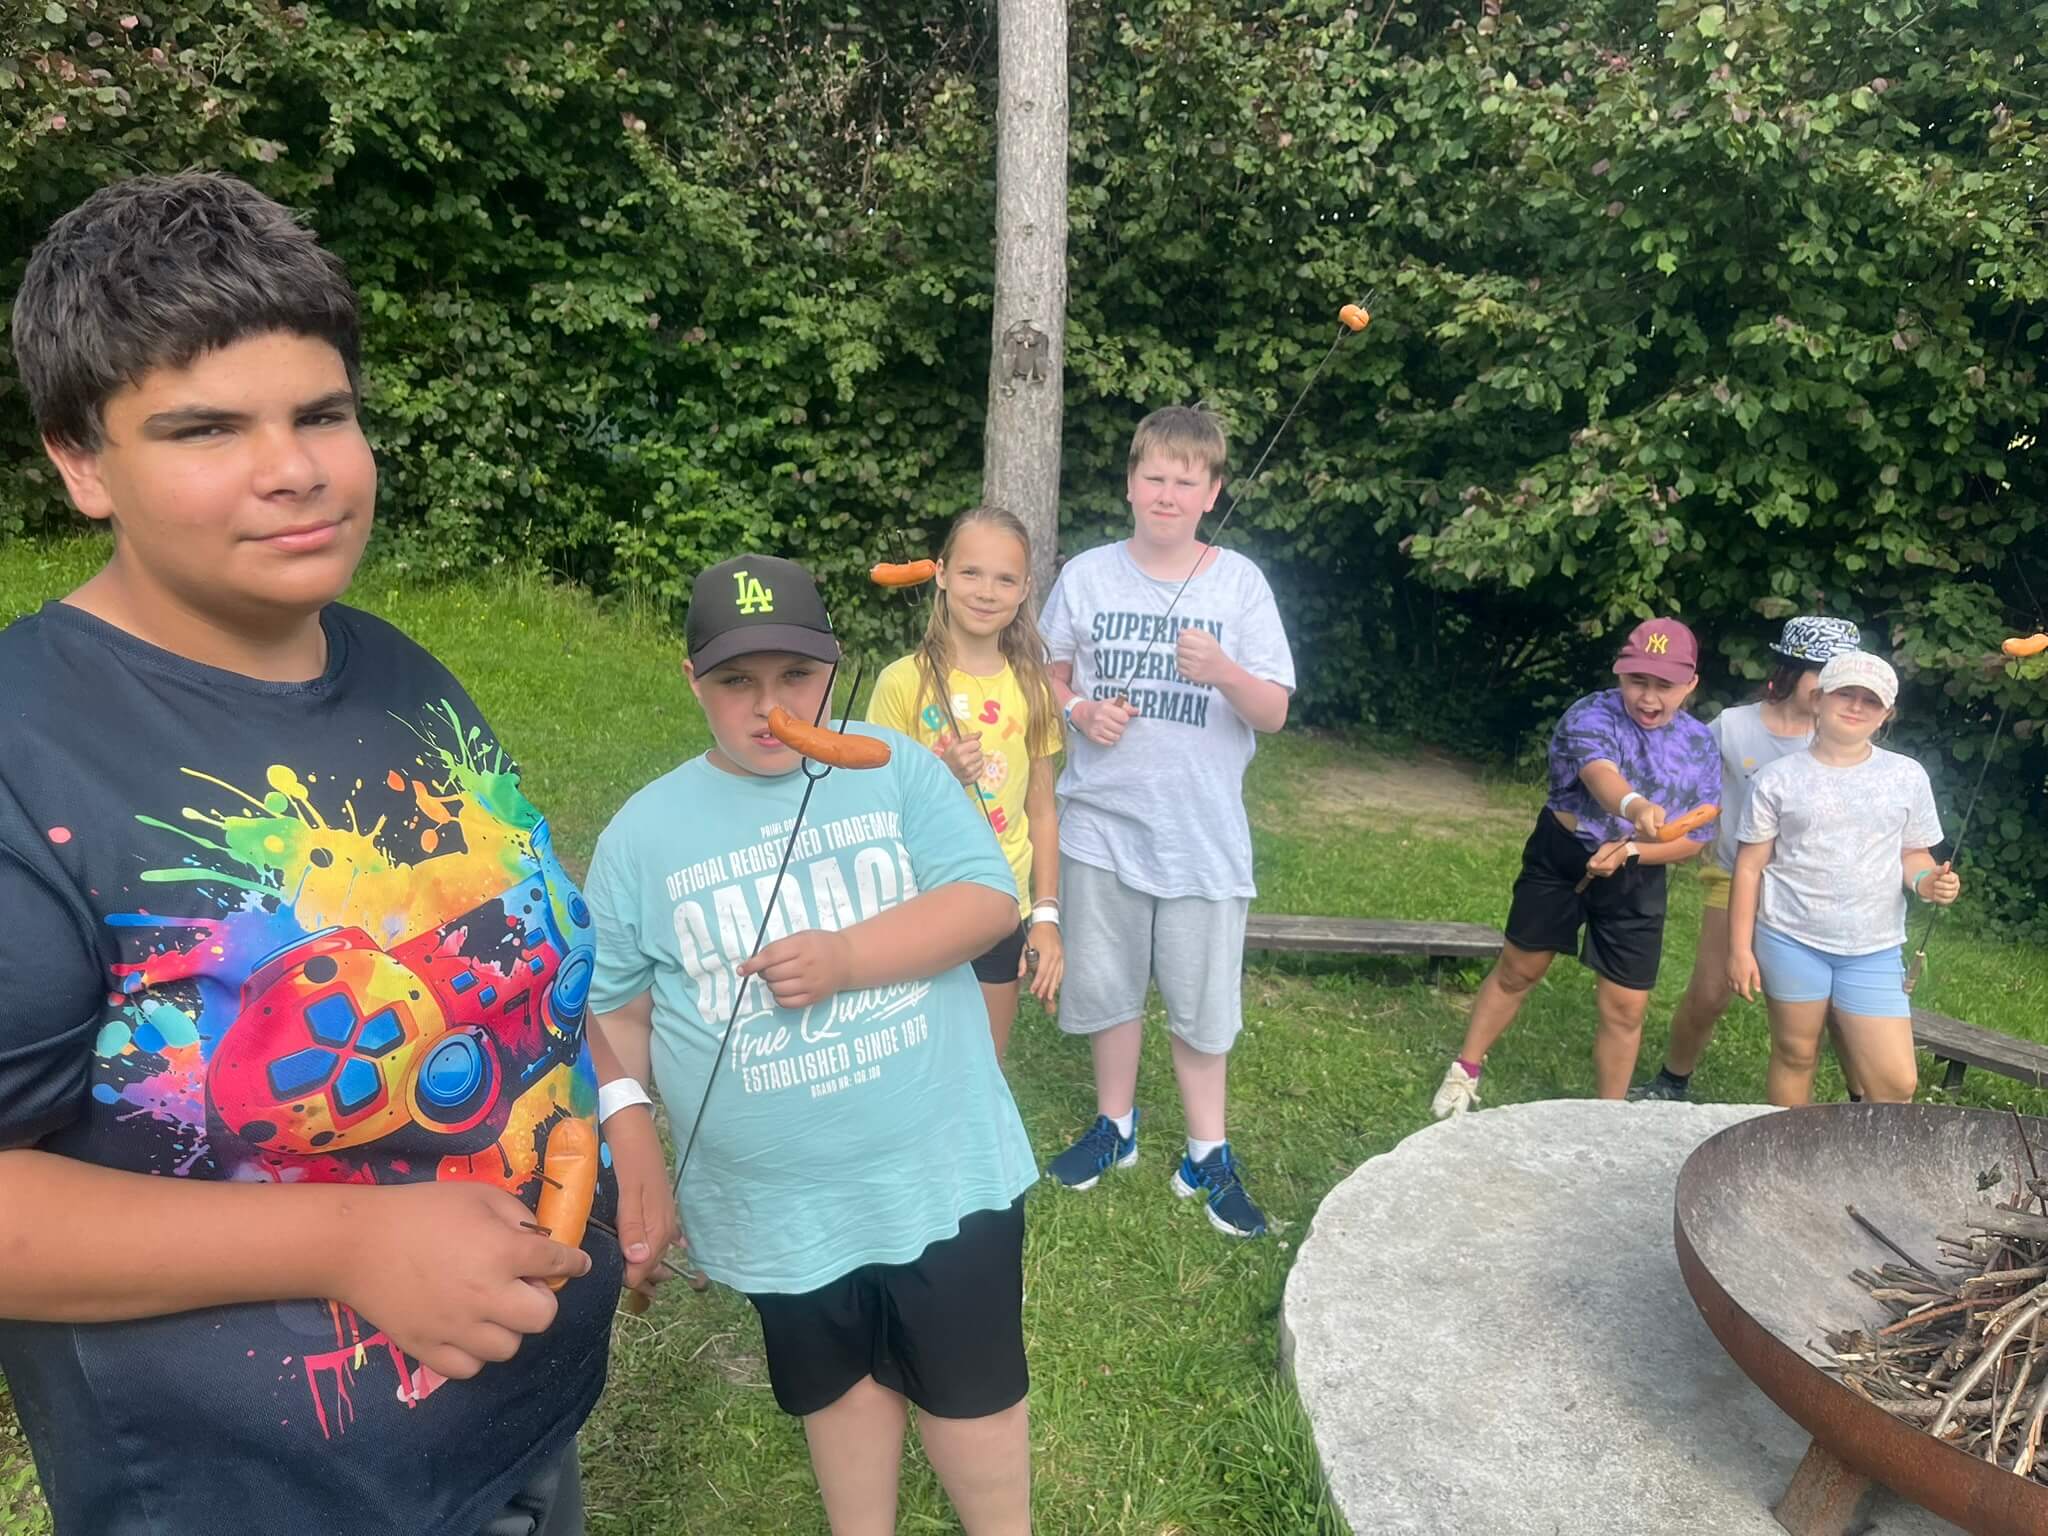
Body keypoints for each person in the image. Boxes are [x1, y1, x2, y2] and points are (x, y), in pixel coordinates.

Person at [0, 172, 674, 1536]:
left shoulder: (394, 668)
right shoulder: (27, 756)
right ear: (81, 462)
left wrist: (616, 1109)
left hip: (506, 1446)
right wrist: (348, 1242)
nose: (293, 468)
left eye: (321, 413)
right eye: (205, 428)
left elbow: (512, 936)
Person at [585, 554, 1037, 1536]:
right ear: (691, 681)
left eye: (795, 676)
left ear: (832, 667)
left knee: (973, 1397)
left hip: (940, 1172)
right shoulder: (641, 836)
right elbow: (611, 1009)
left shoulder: (893, 767)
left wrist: (848, 956)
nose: (769, 707)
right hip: (778, 1209)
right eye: (735, 681)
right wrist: (633, 1139)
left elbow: (984, 901)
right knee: (837, 1392)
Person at [1037, 405, 1296, 1240]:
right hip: (1100, 826)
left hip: (1201, 837)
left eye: (1186, 482)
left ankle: (1206, 1153)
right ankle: (1114, 1128)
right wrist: (1078, 711)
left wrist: (1223, 670)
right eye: (1153, 476)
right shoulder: (1086, 575)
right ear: (1129, 482)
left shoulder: (1240, 585)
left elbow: (1274, 712)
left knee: (1201, 1006)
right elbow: (1045, 671)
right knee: (1107, 988)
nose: (1167, 494)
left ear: (1213, 493)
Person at [1431, 618, 1721, 1117]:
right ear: (1619, 672)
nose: (1649, 697)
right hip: (1563, 854)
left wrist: (1632, 852)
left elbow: (1694, 837)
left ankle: (1606, 1120)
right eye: (1638, 681)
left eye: (1665, 685)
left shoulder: (1700, 745)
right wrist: (1635, 806)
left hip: (1636, 870)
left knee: (1626, 1005)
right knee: (1520, 969)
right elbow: (1600, 774)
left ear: (1691, 684)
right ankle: (1465, 1069)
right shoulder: (1590, 714)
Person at [1631, 616, 1864, 1102]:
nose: (1835, 691)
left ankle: (1864, 1101)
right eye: (1823, 676)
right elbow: (1685, 781)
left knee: (1840, 1009)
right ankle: (1671, 1081)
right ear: (1790, 671)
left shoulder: (1841, 740)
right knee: (1710, 990)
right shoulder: (1734, 727)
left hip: (1810, 889)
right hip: (1733, 875)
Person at [868, 506, 1065, 1058]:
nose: (986, 591)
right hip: (916, 900)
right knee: (911, 1054)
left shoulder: (1034, 687)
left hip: (1001, 903)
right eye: (971, 572)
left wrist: (1045, 916)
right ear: (941, 574)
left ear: (1025, 590)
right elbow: (872, 803)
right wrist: (941, 776)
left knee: (983, 1061)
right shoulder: (901, 682)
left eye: (1004, 579)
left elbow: (1042, 812)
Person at [1728, 652, 1960, 1106]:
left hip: (1873, 947)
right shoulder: (1776, 779)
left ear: (1886, 714)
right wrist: (1739, 950)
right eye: (1845, 694)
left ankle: (1868, 1148)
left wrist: (1927, 881)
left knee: (1896, 1083)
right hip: (1789, 937)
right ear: (1818, 700)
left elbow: (1913, 854)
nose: (1856, 706)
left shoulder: (1906, 776)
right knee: (1795, 1053)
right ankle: (1790, 1145)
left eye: (1870, 701)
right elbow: (1749, 867)